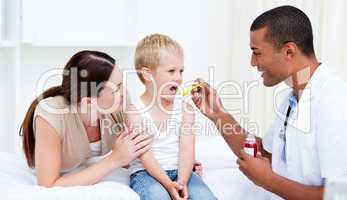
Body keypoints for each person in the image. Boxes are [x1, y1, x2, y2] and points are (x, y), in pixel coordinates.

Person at [191, 5, 347, 200]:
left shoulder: (335, 102)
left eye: (256, 52)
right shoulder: (292, 100)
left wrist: (269, 181)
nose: (252, 63)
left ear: (289, 51)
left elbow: (338, 195)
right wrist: (218, 114)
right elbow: (266, 154)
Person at [20, 50, 153, 187]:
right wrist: (114, 159)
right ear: (88, 102)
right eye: (116, 89)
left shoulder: (119, 104)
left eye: (121, 84)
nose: (124, 92)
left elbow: (134, 155)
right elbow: (48, 184)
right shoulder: (52, 114)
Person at [128, 34, 217, 200]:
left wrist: (182, 181)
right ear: (147, 75)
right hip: (146, 174)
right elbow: (145, 155)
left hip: (181, 172)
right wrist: (168, 185)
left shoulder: (186, 108)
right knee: (158, 196)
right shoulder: (135, 112)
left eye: (181, 71)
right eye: (171, 71)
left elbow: (187, 148)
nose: (178, 77)